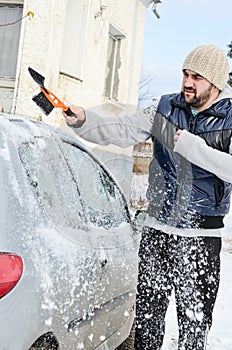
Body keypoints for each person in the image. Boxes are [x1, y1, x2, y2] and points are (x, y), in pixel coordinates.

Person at [63, 45, 232, 349]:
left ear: (216, 83)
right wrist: (84, 120)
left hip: (201, 236)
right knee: (147, 325)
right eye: (185, 74)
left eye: (197, 77)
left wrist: (193, 148)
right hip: (158, 231)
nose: (187, 82)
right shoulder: (163, 109)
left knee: (194, 329)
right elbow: (120, 129)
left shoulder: (230, 117)